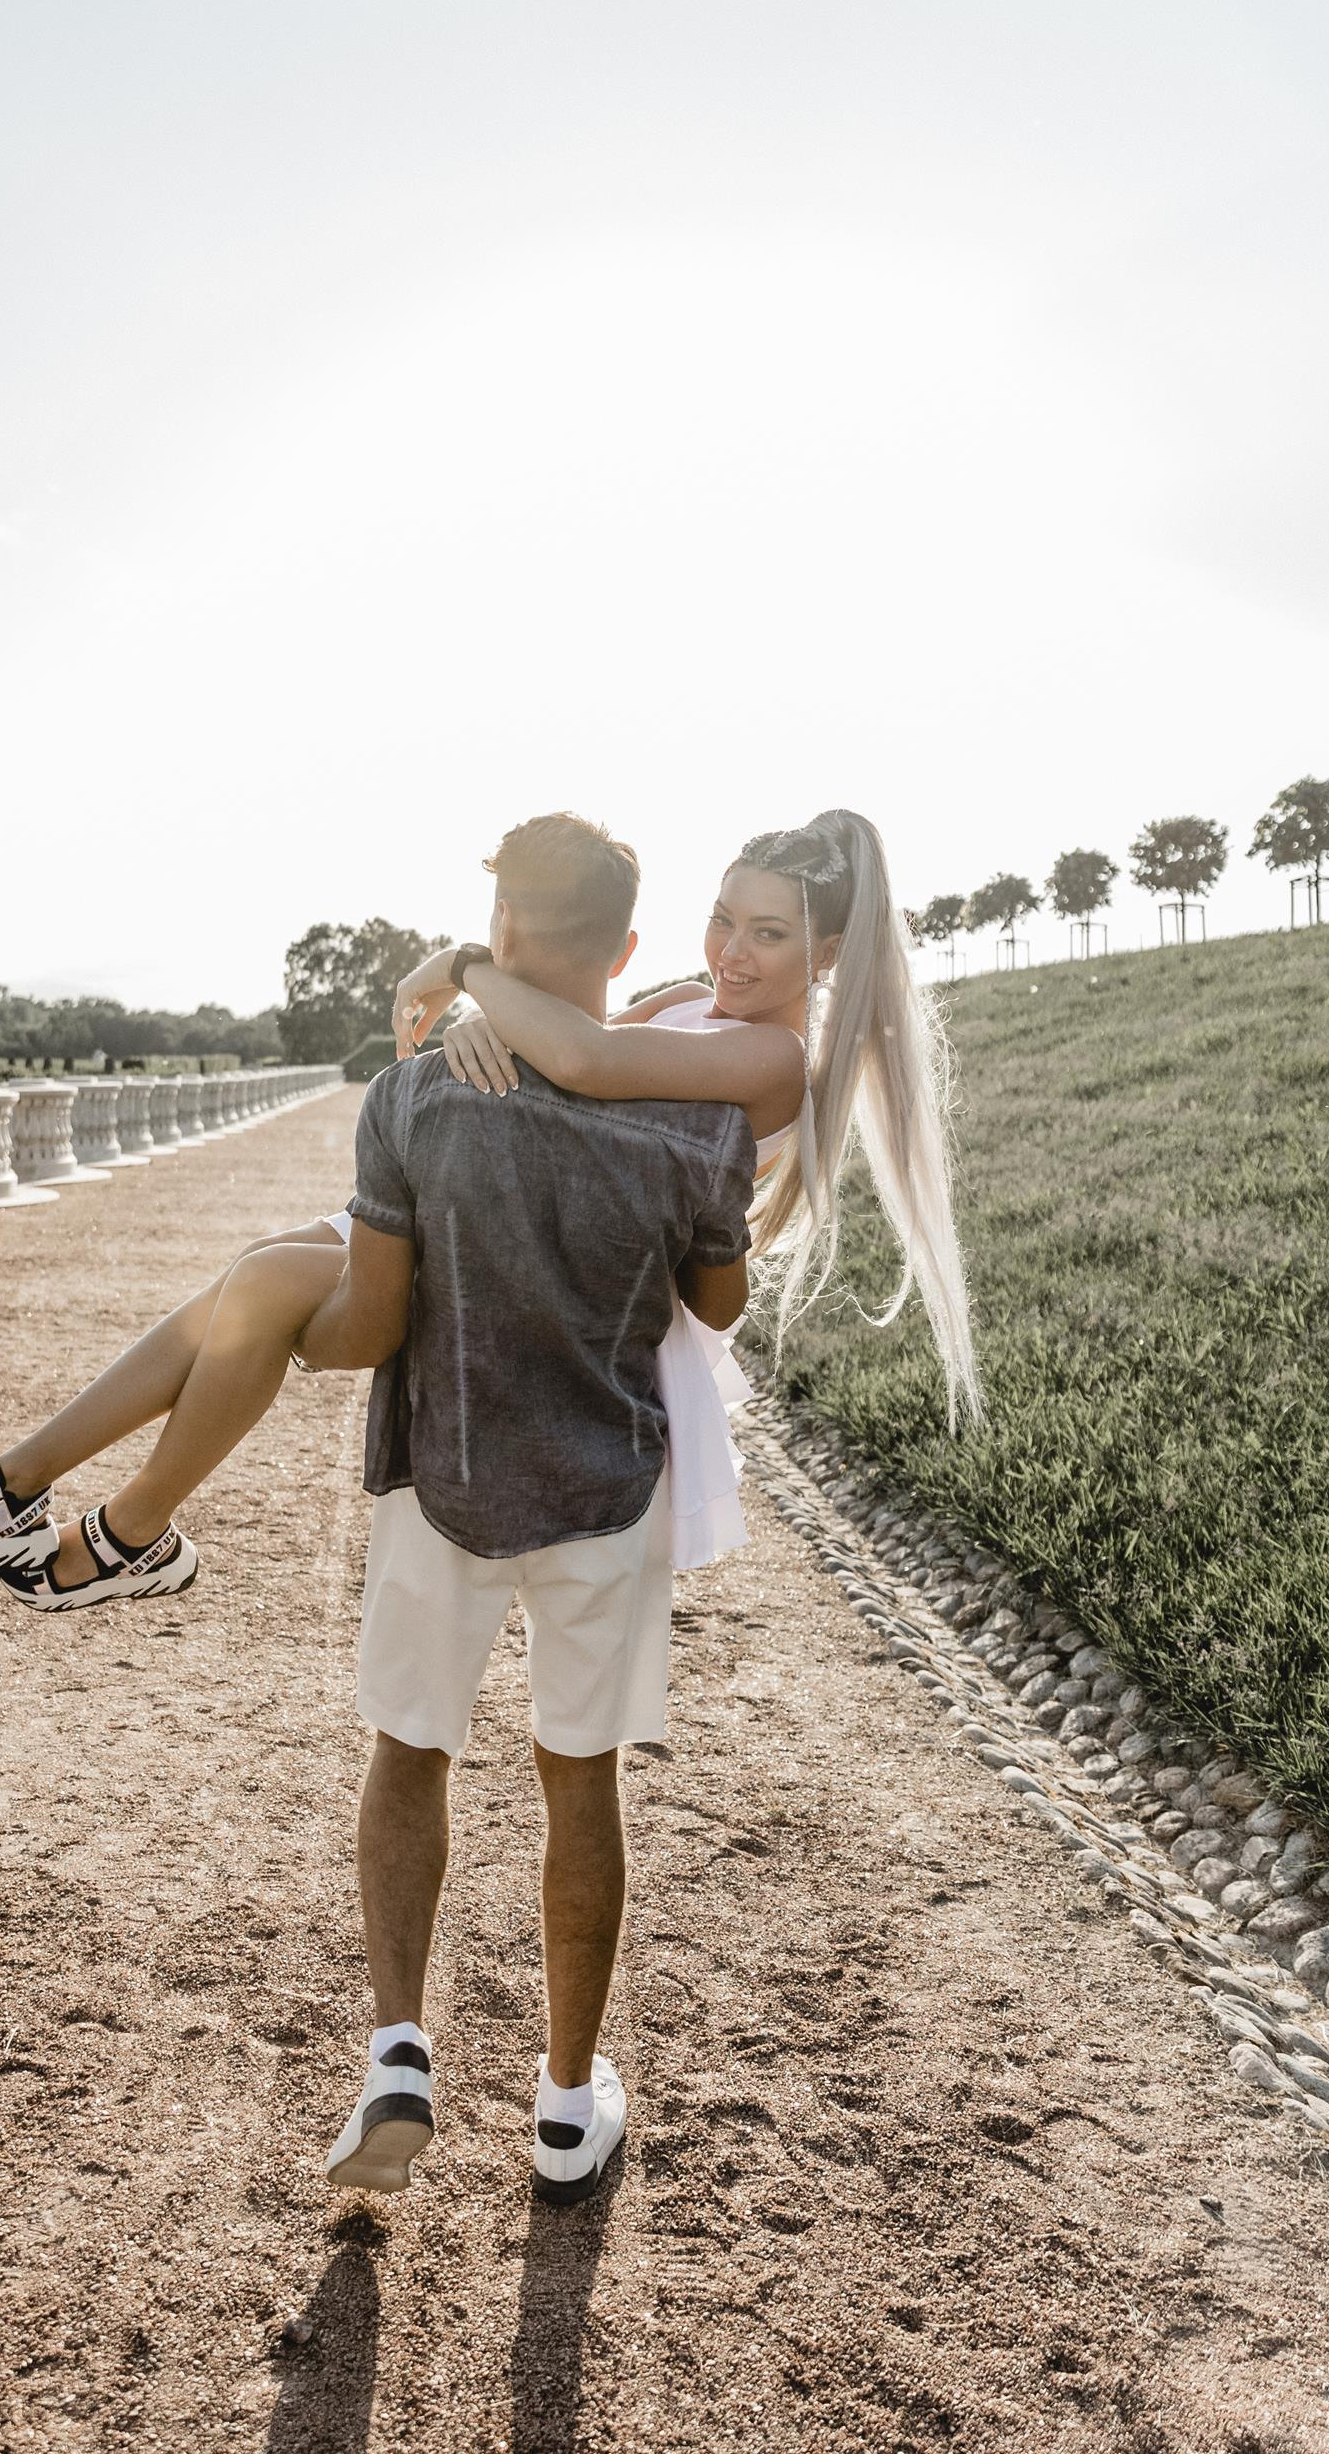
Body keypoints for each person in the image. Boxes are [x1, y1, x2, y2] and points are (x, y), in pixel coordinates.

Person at [0, 806, 974, 1606]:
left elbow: (582, 1058)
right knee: (254, 1271)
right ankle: (17, 1488)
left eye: (766, 934)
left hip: (556, 1273)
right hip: (497, 1211)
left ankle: (123, 1527)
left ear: (825, 954)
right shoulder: (698, 998)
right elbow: (563, 1054)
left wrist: (461, 970)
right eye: (723, 916)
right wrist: (486, 1019)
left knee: (267, 1282)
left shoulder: (777, 1061)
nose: (729, 951)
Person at [307, 810, 756, 2199]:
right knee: (582, 1780)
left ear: (496, 934)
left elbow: (372, 1322)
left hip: (441, 1471)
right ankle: (569, 2100)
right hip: (606, 1486)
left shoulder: (415, 1095)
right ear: (626, 948)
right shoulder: (695, 1108)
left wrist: (279, 1323)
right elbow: (720, 1304)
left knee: (411, 1749)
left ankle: (396, 2049)